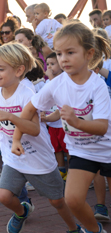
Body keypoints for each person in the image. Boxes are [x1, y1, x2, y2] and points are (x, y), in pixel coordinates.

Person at [12, 21, 111, 233]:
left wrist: (75, 121)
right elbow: (28, 110)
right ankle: (94, 232)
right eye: (58, 53)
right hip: (81, 150)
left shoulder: (97, 86)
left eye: (70, 52)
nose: (63, 58)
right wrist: (17, 138)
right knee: (73, 199)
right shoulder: (55, 84)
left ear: (89, 54)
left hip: (107, 149)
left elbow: (102, 127)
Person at [0, 43, 81, 233]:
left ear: (18, 70)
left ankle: (75, 230)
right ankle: (22, 211)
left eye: (1, 69)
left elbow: (34, 129)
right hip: (12, 157)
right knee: (3, 195)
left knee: (57, 202)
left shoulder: (28, 94)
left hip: (38, 157)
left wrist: (11, 117)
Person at [42, 52, 69, 180]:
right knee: (56, 147)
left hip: (64, 123)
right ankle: (61, 169)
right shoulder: (47, 82)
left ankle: (72, 170)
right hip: (52, 123)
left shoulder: (65, 78)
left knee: (67, 148)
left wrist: (51, 78)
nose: (50, 67)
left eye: (53, 64)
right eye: (48, 64)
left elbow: (59, 92)